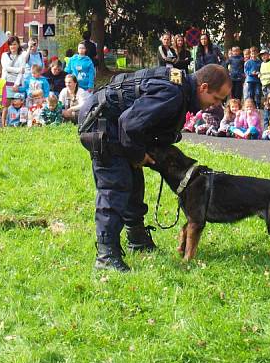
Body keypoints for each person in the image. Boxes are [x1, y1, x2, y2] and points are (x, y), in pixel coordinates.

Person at [78, 63, 232, 271]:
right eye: (216, 99)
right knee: (115, 186)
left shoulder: (180, 86)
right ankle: (106, 256)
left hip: (114, 122)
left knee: (133, 180)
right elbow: (128, 123)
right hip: (101, 123)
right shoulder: (172, 94)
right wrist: (139, 154)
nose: (215, 105)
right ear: (203, 87)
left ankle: (137, 239)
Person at [1, 35, 27, 118]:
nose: (13, 46)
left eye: (15, 44)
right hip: (6, 83)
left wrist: (16, 84)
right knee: (6, 106)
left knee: (18, 105)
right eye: (11, 44)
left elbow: (21, 73)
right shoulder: (4, 55)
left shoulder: (22, 56)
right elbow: (6, 68)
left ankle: (17, 122)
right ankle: (4, 124)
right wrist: (19, 69)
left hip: (16, 84)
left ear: (18, 45)